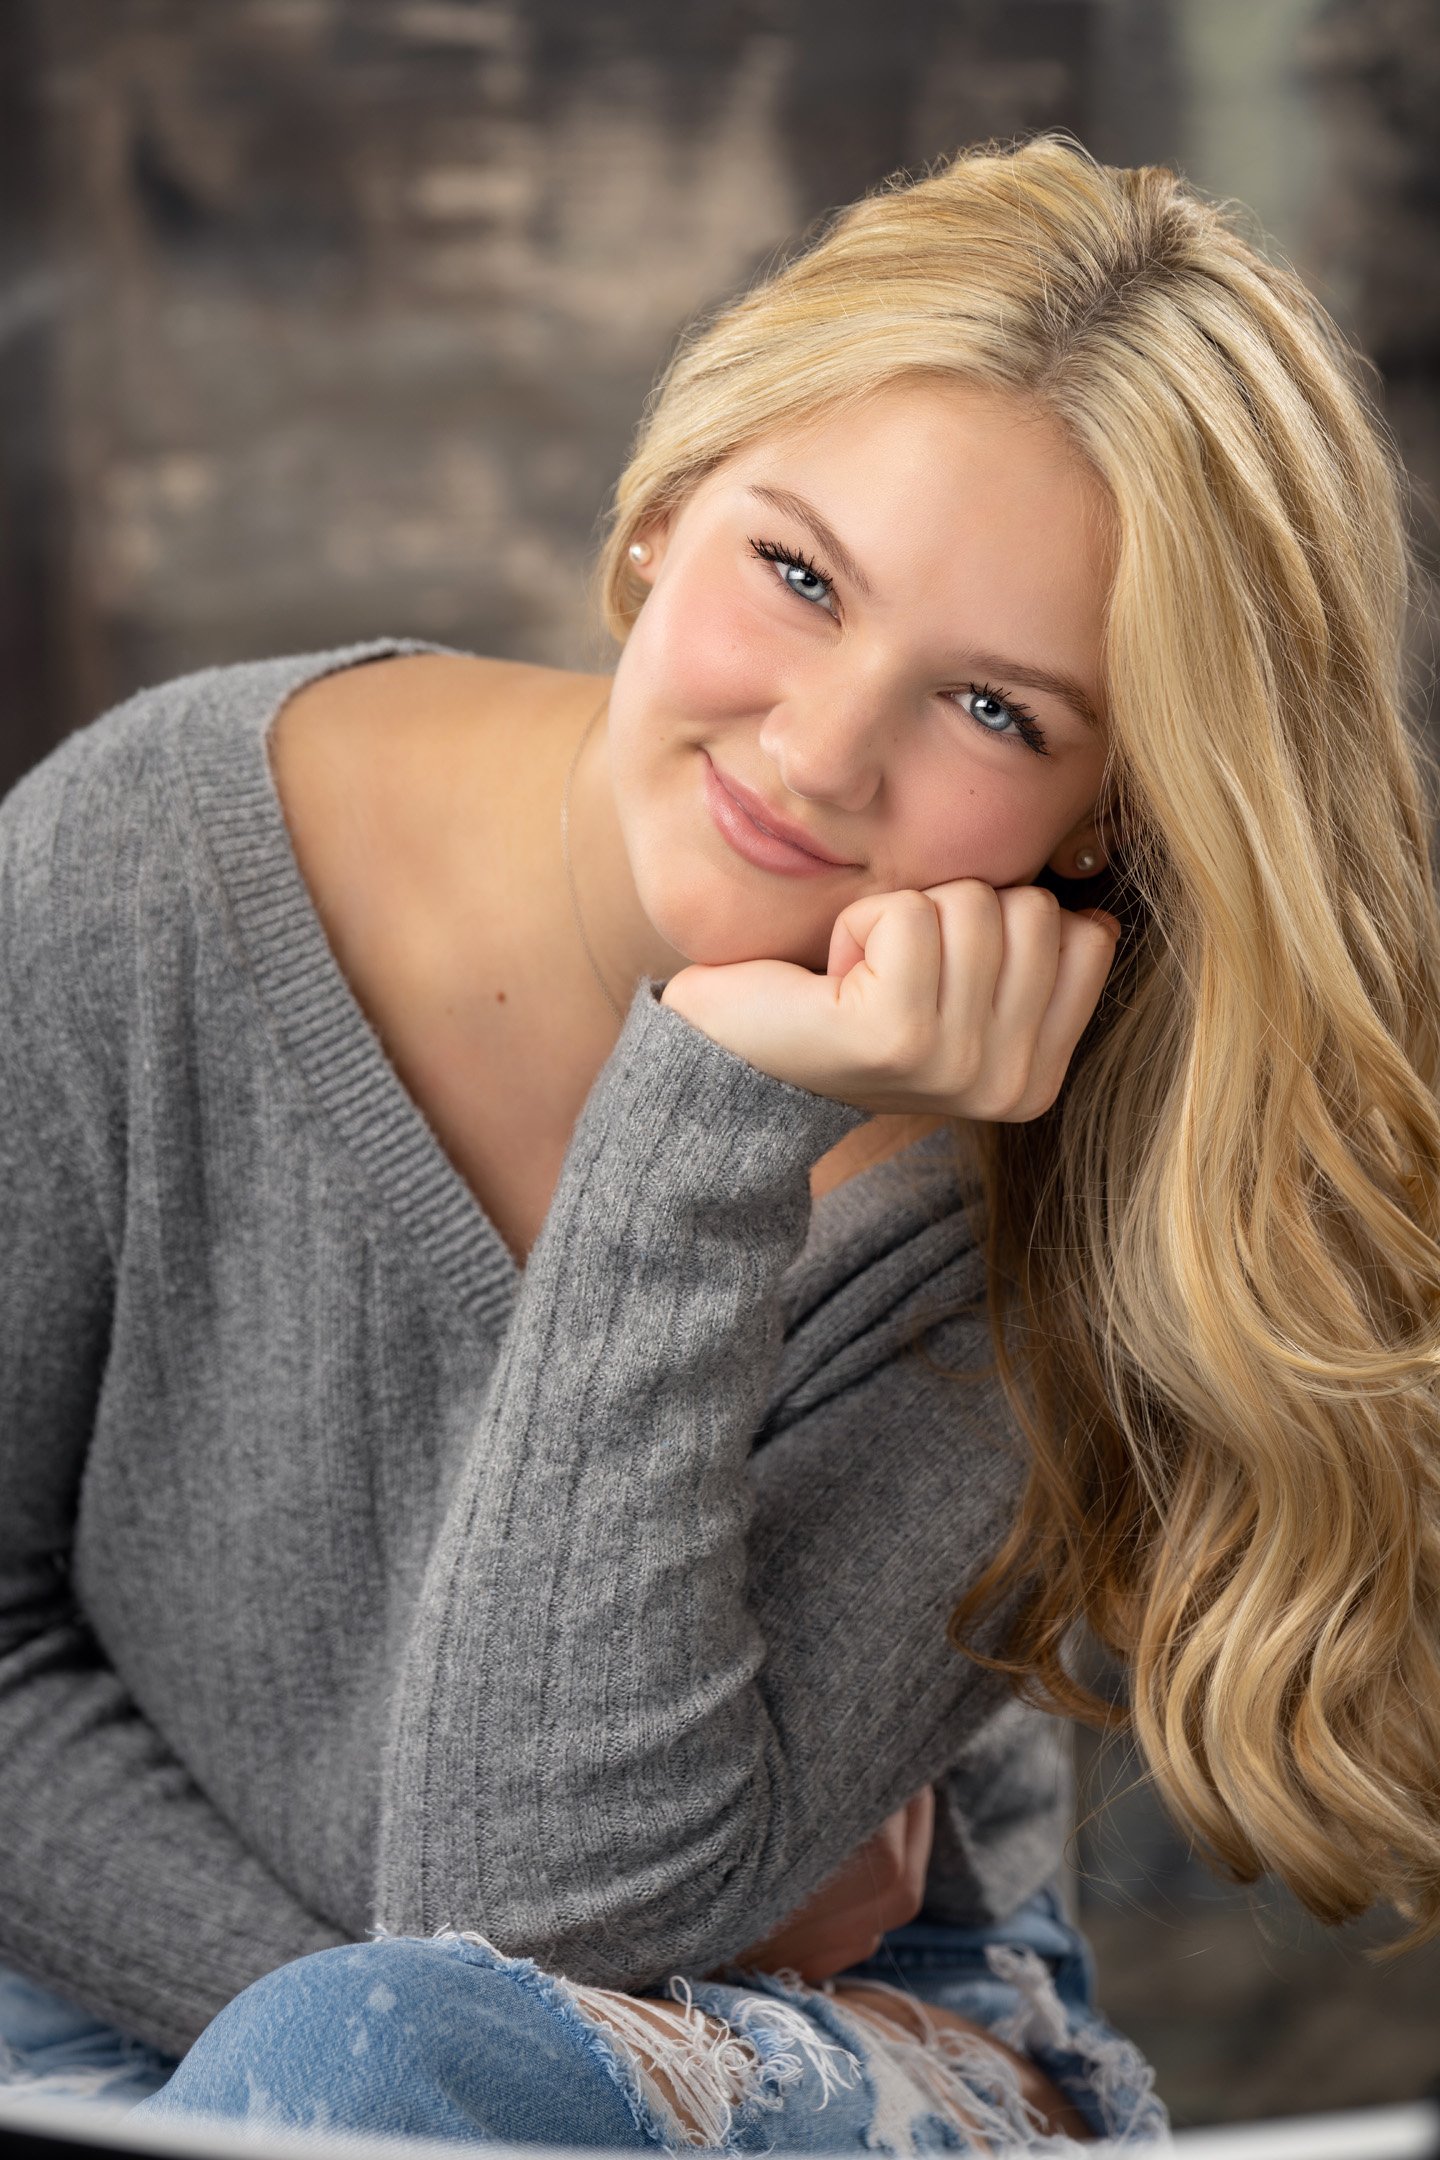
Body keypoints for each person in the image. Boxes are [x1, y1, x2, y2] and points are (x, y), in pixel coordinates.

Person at [2, 127, 1435, 2153]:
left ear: (1110, 820)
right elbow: (419, 2000)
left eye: (1000, 715)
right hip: (135, 1965)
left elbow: (527, 1912)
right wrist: (302, 2034)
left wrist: (720, 1112)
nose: (823, 750)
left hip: (835, 2026)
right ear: (669, 507)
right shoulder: (137, 868)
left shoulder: (1075, 1149)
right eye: (799, 574)